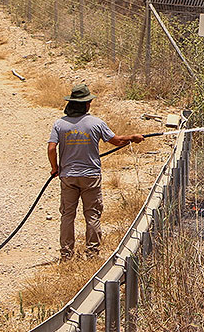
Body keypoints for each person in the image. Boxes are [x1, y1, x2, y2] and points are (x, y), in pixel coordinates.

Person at [47, 83, 144, 261]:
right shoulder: (96, 123)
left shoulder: (60, 124)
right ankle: (92, 253)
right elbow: (117, 141)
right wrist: (133, 138)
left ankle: (66, 254)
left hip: (68, 176)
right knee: (92, 214)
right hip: (90, 176)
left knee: (68, 215)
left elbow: (52, 148)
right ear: (86, 104)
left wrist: (55, 168)